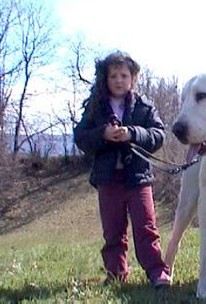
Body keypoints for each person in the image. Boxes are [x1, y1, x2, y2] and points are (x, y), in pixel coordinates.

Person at [74, 51, 171, 288]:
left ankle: (157, 273)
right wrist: (102, 135)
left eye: (124, 75)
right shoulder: (96, 108)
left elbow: (159, 135)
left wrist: (133, 133)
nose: (119, 80)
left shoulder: (144, 107)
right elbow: (81, 137)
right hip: (108, 180)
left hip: (138, 178)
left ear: (133, 79)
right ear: (105, 79)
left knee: (146, 227)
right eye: (113, 75)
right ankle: (116, 274)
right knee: (113, 231)